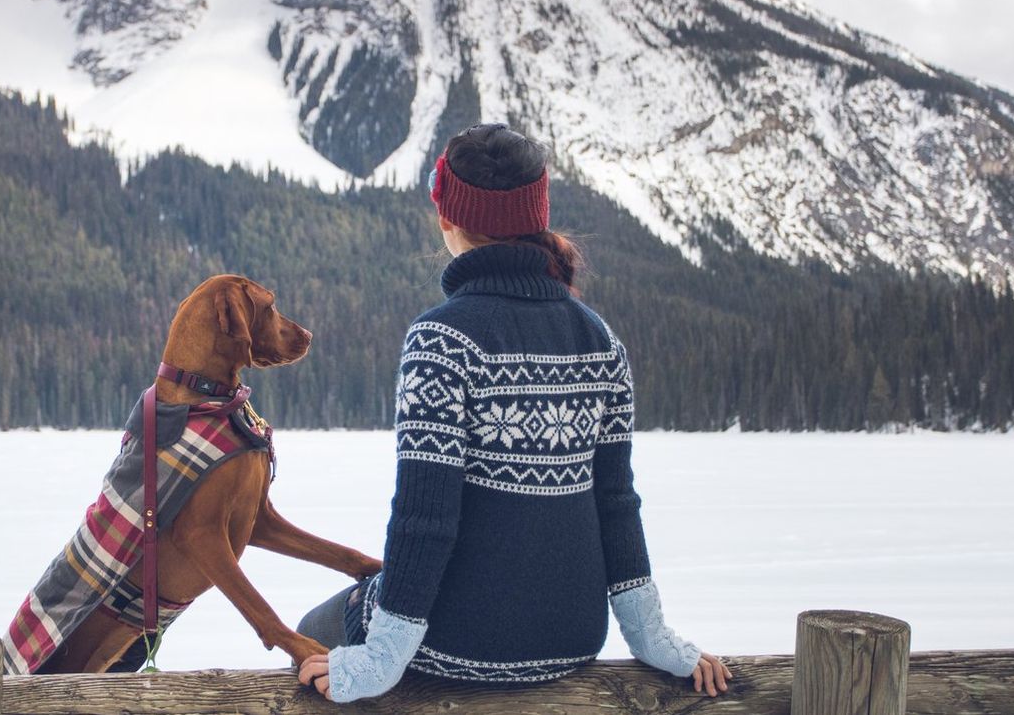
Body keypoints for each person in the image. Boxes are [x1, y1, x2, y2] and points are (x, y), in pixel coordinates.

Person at [293, 123, 731, 702]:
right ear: (537, 216)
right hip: (574, 636)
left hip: (460, 639)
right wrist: (651, 637)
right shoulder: (601, 340)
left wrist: (378, 661)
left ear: (448, 216)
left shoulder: (442, 339)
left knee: (311, 633)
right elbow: (616, 504)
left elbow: (426, 517)